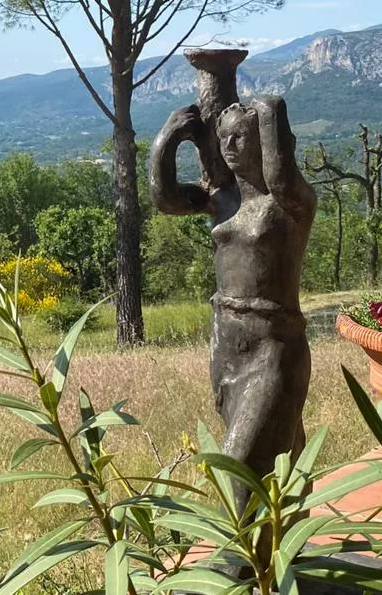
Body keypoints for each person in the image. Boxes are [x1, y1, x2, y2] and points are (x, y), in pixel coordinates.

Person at [150, 95, 316, 507]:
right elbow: (165, 198)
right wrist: (167, 139)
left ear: (265, 141)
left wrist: (265, 106)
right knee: (282, 450)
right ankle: (282, 547)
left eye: (241, 137)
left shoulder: (289, 202)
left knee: (238, 459)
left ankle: (238, 563)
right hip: (225, 344)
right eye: (224, 139)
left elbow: (278, 164)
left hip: (274, 344)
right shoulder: (221, 200)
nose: (229, 147)